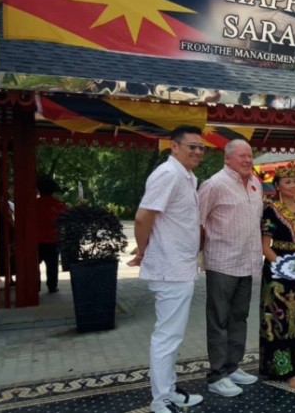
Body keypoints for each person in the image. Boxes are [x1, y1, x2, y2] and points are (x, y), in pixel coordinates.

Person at [131, 126, 205, 413]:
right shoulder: (167, 174)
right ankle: (160, 400)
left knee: (173, 335)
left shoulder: (186, 176)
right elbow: (142, 217)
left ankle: (169, 391)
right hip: (169, 268)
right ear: (174, 146)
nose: (198, 151)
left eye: (201, 147)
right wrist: (141, 249)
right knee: (167, 336)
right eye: (192, 146)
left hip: (181, 267)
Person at [199, 139, 263, 397]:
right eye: (242, 156)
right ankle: (216, 375)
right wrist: (196, 255)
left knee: (239, 318)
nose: (247, 160)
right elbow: (198, 222)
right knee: (218, 320)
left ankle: (232, 366)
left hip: (247, 263)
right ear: (227, 159)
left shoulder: (256, 184)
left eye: (250, 156)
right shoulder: (213, 184)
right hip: (222, 263)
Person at [259, 162, 295, 389]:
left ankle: (294, 367)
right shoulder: (270, 210)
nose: (293, 185)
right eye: (288, 182)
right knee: (278, 321)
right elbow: (265, 246)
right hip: (277, 274)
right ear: (277, 186)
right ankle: (284, 369)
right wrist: (285, 266)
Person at [36, 176, 67, 294]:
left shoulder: (33, 204)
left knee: (34, 265)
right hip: (53, 239)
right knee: (52, 265)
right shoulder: (59, 205)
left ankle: (36, 285)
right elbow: (65, 221)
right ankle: (52, 286)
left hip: (36, 240)